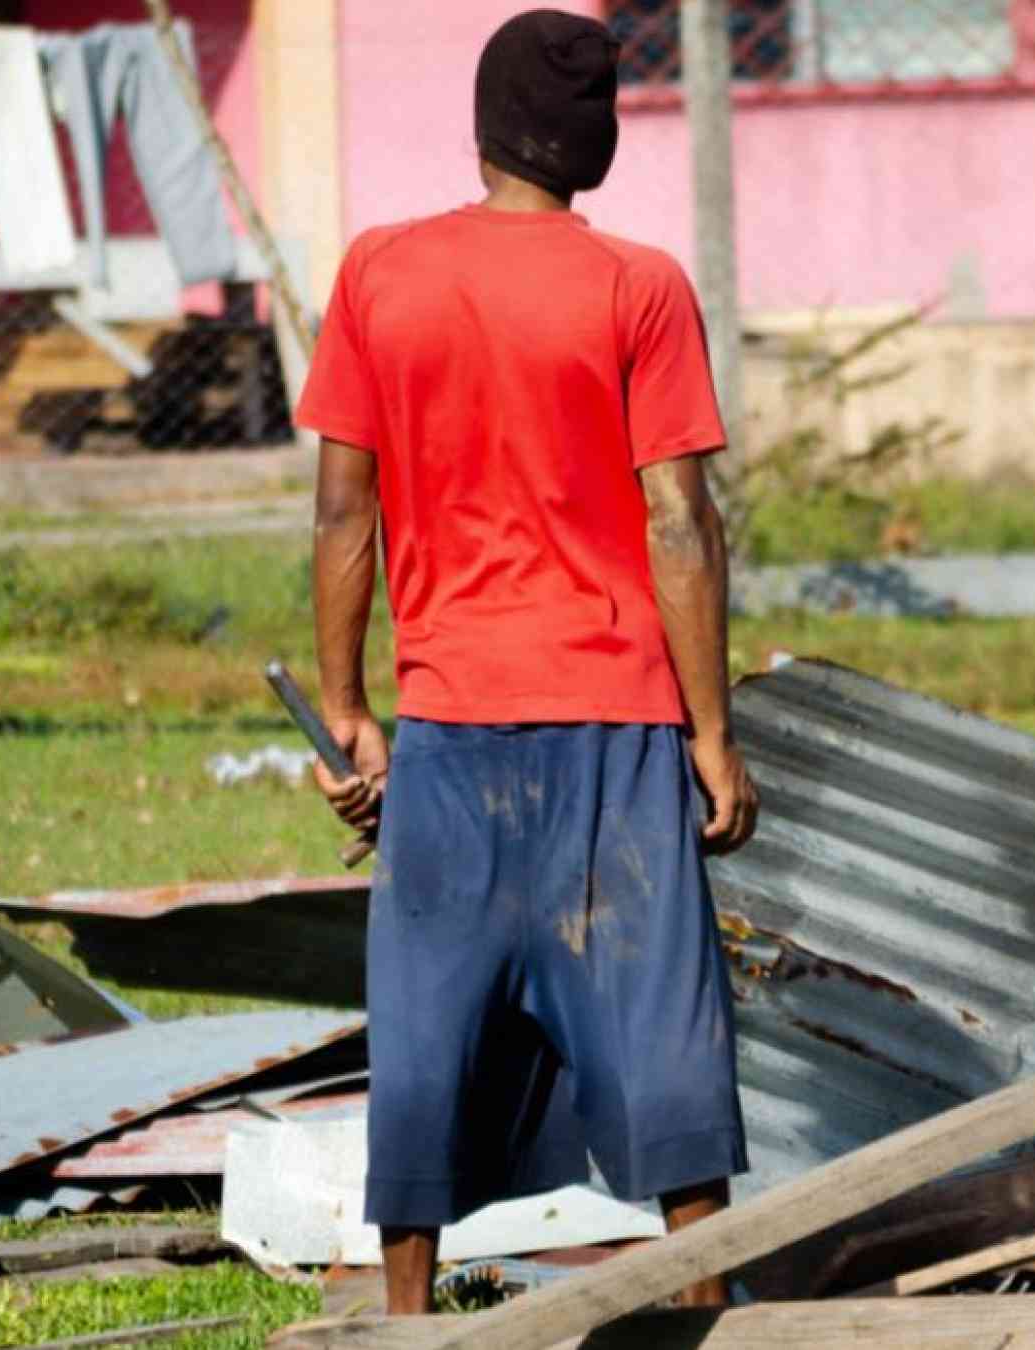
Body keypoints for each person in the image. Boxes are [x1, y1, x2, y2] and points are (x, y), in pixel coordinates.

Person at [293, 8, 758, 1319]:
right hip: (614, 729)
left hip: (446, 729)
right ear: (595, 144)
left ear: (482, 128)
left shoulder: (380, 274)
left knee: (426, 1031)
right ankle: (703, 1306)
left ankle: (405, 1320)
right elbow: (679, 519)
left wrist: (345, 709)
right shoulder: (639, 288)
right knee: (667, 1033)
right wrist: (711, 731)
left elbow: (344, 512)